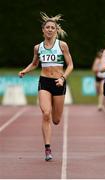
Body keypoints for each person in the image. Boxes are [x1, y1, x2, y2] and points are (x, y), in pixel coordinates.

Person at [18, 12, 73, 161]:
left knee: (56, 120)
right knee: (46, 113)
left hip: (59, 83)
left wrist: (63, 78)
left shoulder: (62, 45)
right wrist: (25, 70)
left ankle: (51, 134)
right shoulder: (38, 47)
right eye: (47, 27)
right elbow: (35, 64)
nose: (49, 29)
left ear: (56, 30)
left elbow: (71, 65)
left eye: (52, 28)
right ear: (43, 30)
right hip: (45, 82)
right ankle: (47, 149)